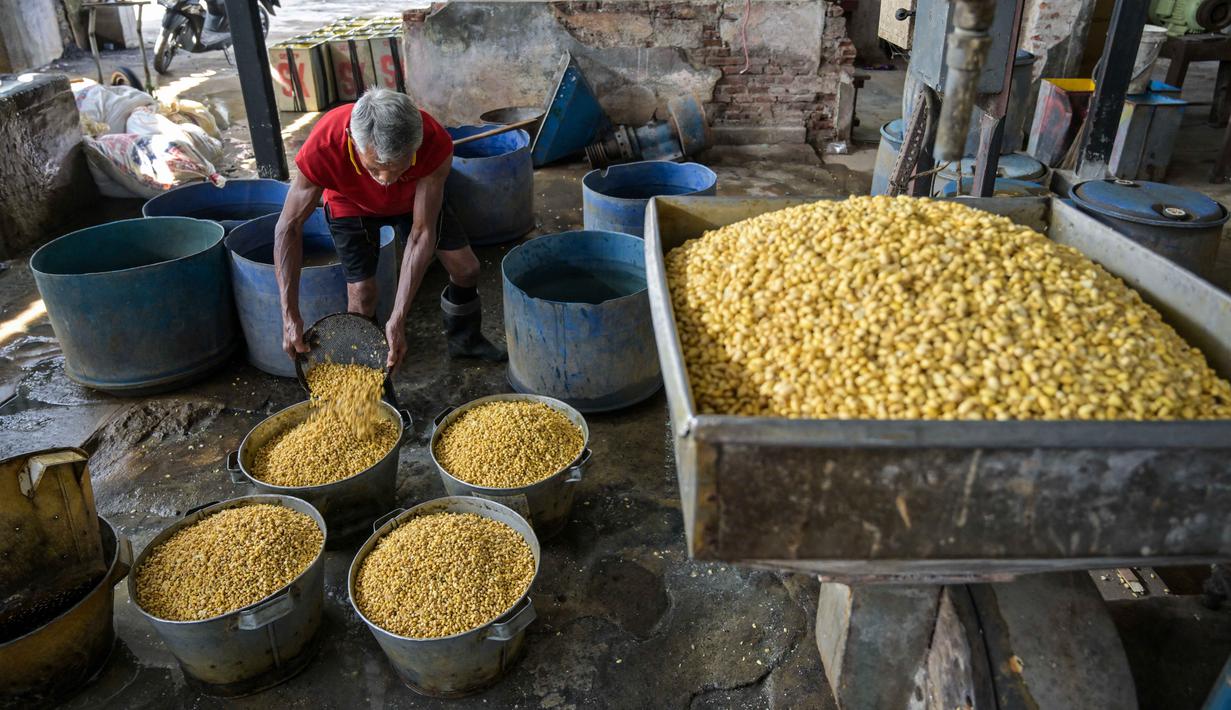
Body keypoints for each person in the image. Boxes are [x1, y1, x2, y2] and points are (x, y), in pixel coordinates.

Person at [273, 87, 505, 370]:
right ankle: (368, 373)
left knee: (466, 268)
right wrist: (289, 314)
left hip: (412, 200)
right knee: (362, 294)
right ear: (352, 141)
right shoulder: (325, 145)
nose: (385, 180)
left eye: (397, 167)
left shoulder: (434, 142)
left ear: (415, 146)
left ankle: (465, 341)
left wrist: (398, 316)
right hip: (350, 201)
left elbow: (421, 233)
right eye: (375, 168)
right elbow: (288, 226)